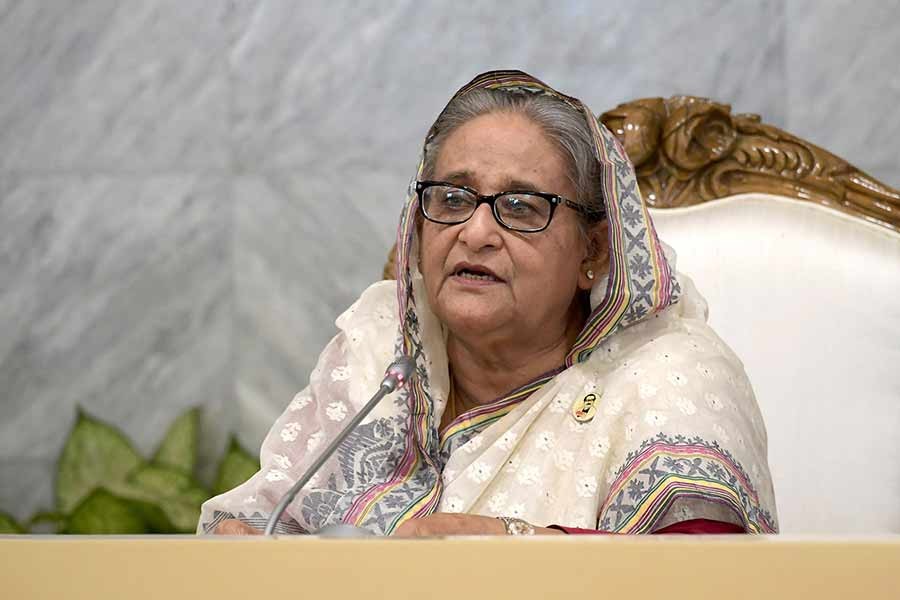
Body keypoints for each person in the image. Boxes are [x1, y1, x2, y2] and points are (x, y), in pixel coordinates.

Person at [200, 70, 777, 537]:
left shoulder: (670, 376)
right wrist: (245, 545)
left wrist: (513, 550)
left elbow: (701, 574)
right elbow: (267, 519)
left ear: (593, 252)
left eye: (522, 207)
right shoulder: (382, 346)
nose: (475, 233)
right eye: (451, 198)